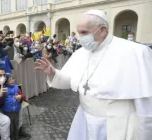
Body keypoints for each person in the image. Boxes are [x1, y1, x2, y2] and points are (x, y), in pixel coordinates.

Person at [35, 10, 152, 140]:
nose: (80, 37)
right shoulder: (81, 53)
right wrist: (53, 73)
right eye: (79, 33)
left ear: (102, 30)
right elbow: (69, 80)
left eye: (84, 32)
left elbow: (146, 106)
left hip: (117, 125)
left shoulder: (135, 52)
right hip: (84, 119)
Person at [2, 73, 26, 140]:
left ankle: (16, 137)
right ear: (6, 81)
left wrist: (20, 96)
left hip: (16, 112)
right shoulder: (4, 89)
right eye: (10, 80)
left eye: (13, 79)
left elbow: (23, 96)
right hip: (8, 112)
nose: (12, 80)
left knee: (16, 127)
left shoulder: (17, 88)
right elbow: (0, 99)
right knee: (10, 128)